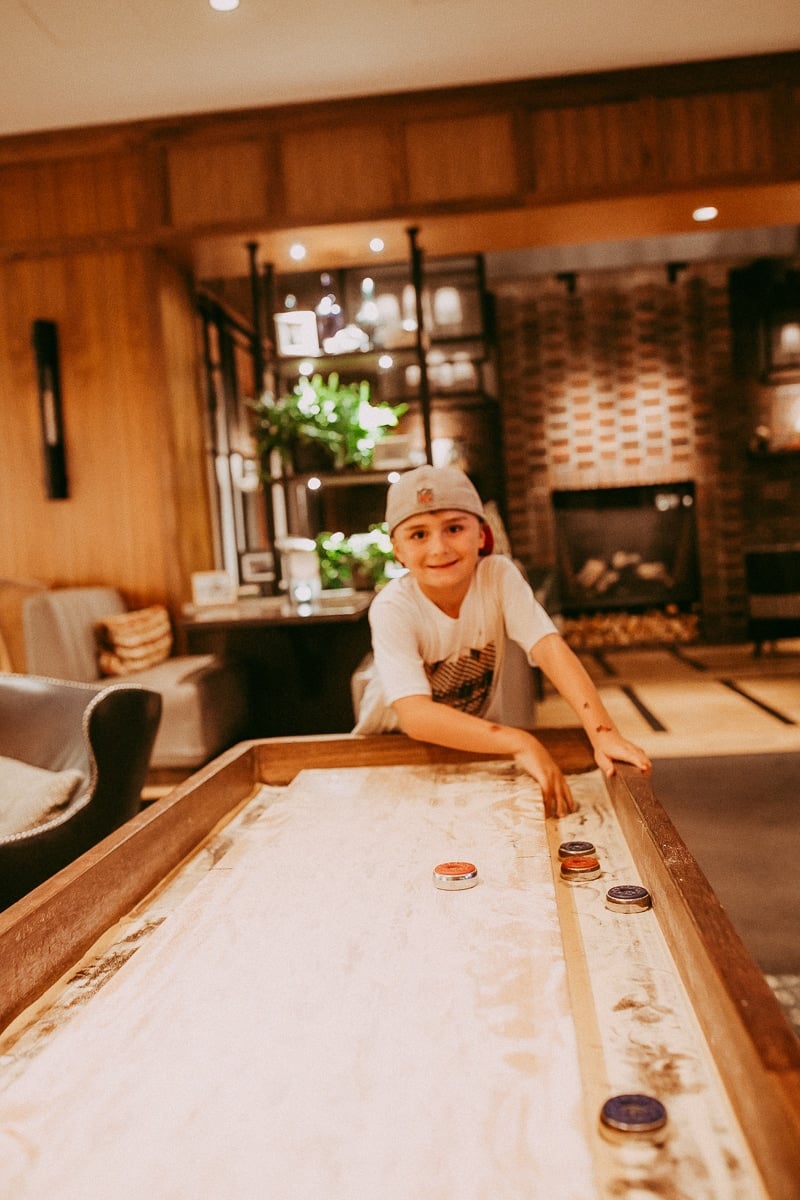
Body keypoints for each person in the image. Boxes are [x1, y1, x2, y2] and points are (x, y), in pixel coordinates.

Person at [353, 464, 652, 817]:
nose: (439, 548)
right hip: (392, 750)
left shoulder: (498, 575)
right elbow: (416, 717)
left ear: (481, 534)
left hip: (469, 744)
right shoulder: (392, 607)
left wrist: (604, 732)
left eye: (454, 528)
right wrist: (519, 741)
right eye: (418, 535)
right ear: (397, 550)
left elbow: (548, 647)